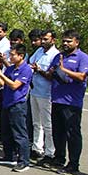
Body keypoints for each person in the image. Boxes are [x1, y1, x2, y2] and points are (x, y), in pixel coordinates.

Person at [44, 29, 88, 174]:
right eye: (64, 41)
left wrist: (64, 69)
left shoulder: (83, 58)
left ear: (77, 42)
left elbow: (82, 76)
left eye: (69, 41)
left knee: (72, 133)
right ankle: (59, 158)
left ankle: (73, 164)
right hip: (57, 99)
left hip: (72, 102)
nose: (65, 43)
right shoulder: (59, 56)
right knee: (58, 132)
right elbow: (52, 73)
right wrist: (52, 72)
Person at [0, 43, 32, 172]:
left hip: (17, 104)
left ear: (21, 55)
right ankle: (9, 155)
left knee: (19, 134)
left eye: (12, 55)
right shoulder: (11, 68)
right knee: (6, 132)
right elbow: (2, 84)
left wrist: (0, 74)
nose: (10, 57)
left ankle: (24, 161)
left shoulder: (26, 69)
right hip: (6, 103)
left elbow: (14, 85)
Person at [27, 30, 58, 165]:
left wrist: (38, 69)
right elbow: (30, 64)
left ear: (53, 40)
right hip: (35, 91)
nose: (43, 41)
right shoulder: (39, 51)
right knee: (36, 122)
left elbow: (51, 75)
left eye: (46, 39)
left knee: (48, 124)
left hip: (46, 93)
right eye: (42, 39)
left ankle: (50, 152)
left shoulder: (55, 55)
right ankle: (36, 148)